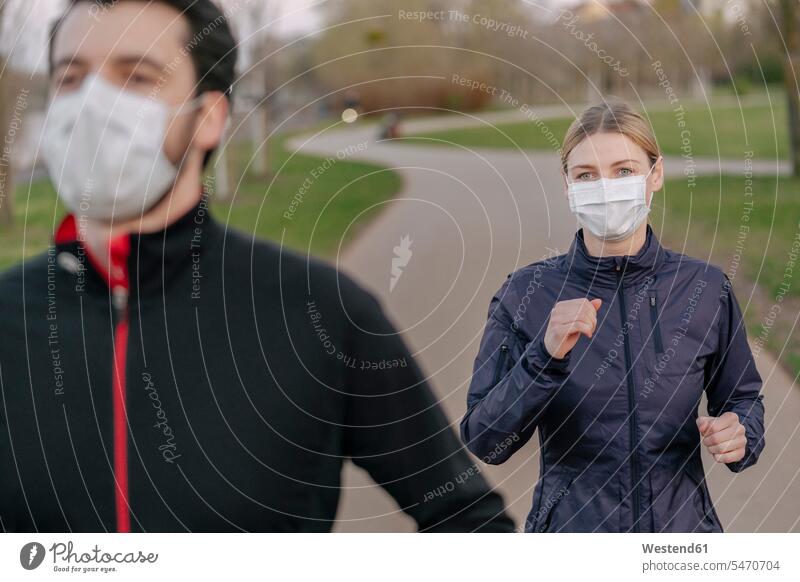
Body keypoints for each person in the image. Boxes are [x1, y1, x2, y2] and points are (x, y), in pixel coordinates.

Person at [0, 0, 514, 533]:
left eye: (136, 77)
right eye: (70, 77)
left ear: (207, 117)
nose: (91, 104)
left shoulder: (319, 312)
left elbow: (471, 523)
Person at [461, 98, 766, 533]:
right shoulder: (526, 294)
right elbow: (486, 440)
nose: (606, 187)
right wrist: (543, 357)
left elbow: (742, 397)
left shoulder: (704, 289)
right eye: (586, 175)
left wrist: (742, 433)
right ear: (567, 186)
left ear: (655, 175)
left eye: (624, 171)